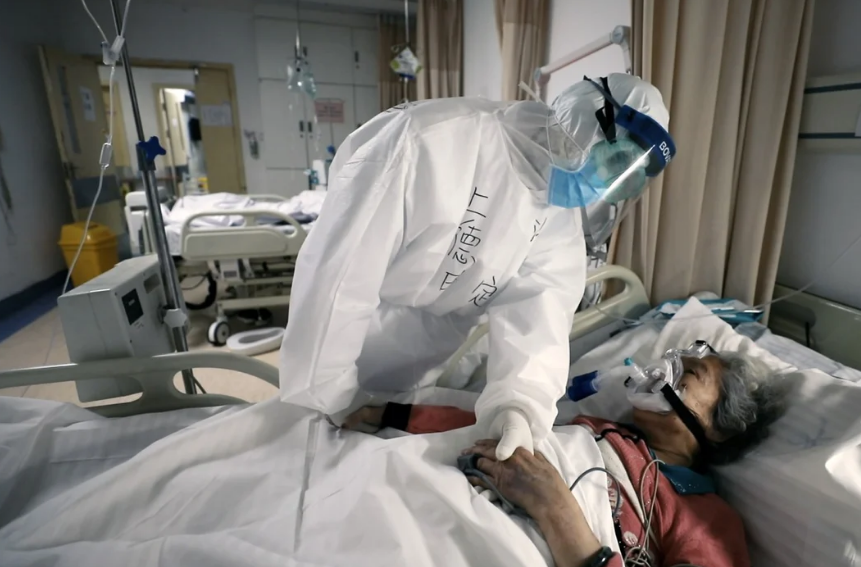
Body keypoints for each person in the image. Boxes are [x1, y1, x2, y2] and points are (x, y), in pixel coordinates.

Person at [280, 73, 676, 461]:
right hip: (343, 331)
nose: (604, 182)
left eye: (623, 177)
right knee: (304, 445)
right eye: (615, 161)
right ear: (589, 118)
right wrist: (327, 392)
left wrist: (518, 408)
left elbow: (539, 325)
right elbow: (338, 280)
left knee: (379, 450)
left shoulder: (559, 225)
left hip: (425, 348)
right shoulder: (425, 142)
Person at [343, 347, 788, 567]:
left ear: (718, 426)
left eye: (690, 373)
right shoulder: (597, 430)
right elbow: (500, 429)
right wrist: (396, 414)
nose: (664, 371)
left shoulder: (706, 517)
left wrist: (556, 508)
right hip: (447, 498)